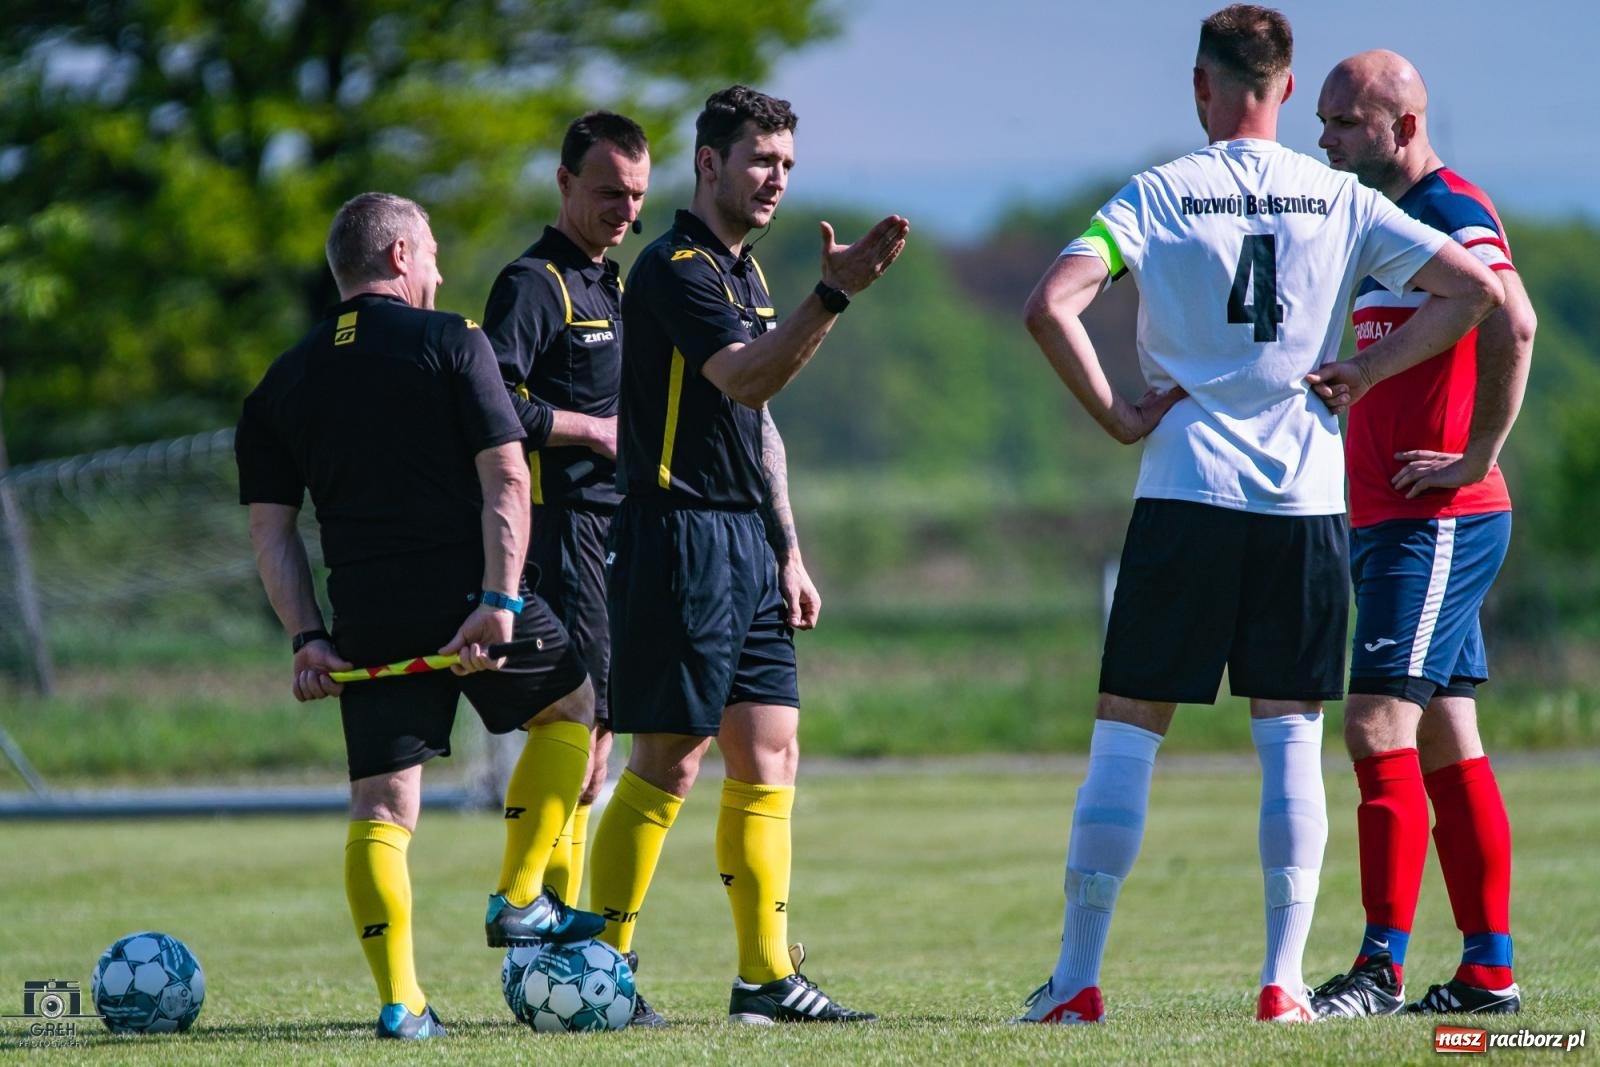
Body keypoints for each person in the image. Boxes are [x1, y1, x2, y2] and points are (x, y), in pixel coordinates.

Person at [1014, 4, 1503, 1026]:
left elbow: (1050, 304)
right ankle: (1283, 983)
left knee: (1128, 731)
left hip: (1185, 489)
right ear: (1284, 89)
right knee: (1290, 734)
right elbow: (1473, 292)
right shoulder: (1338, 196)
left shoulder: (1159, 191)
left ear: (1202, 87)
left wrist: (1116, 413)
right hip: (1303, 499)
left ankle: (1076, 979)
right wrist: (1364, 369)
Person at [236, 192, 606, 1040]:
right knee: (572, 708)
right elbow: (507, 478)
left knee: (380, 809)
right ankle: (521, 897)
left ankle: (402, 1004)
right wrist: (500, 600)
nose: (438, 270)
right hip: (469, 596)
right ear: (401, 255)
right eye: (432, 253)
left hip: (365, 617)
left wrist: (308, 637)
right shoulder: (453, 341)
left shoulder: (281, 380)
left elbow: (270, 530)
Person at [583, 85, 908, 1024]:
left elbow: (759, 424)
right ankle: (601, 972)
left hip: (747, 544)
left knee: (772, 751)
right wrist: (834, 294)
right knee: (669, 760)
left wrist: (789, 550)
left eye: (788, 165)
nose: (776, 178)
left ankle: (765, 977)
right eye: (761, 160)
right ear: (709, 163)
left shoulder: (747, 276)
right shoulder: (675, 268)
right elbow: (748, 376)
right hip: (678, 536)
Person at [1306, 51, 1536, 1020]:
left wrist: (1473, 454)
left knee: (1373, 721)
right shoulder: (1386, 223)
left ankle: (1378, 969)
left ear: (1401, 126)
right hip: (1394, 518)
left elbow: (1512, 320)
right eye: (1321, 120)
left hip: (1434, 518)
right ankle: (1487, 973)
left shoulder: (1449, 207)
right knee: (1445, 733)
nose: (1324, 139)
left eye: (1343, 122)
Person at [479, 111, 660, 1024]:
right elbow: (492, 399)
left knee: (596, 750)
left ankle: (557, 972)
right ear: (563, 183)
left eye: (637, 196)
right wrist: (596, 430)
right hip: (558, 534)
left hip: (616, 533)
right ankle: (533, 926)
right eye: (608, 193)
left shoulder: (612, 281)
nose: (625, 210)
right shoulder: (533, 282)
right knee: (576, 726)